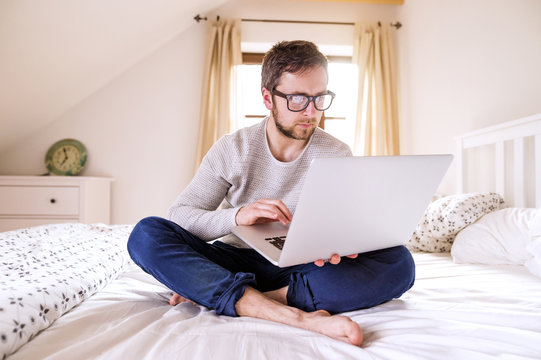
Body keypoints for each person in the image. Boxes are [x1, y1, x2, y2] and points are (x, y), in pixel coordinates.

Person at [127, 40, 415, 347]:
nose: (311, 111)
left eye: (320, 98)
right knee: (146, 234)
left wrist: (343, 243)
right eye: (298, 99)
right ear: (268, 97)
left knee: (399, 262)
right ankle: (293, 315)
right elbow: (182, 217)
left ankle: (248, 298)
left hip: (299, 267)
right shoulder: (233, 148)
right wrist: (238, 216)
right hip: (233, 259)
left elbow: (342, 222)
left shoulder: (336, 152)